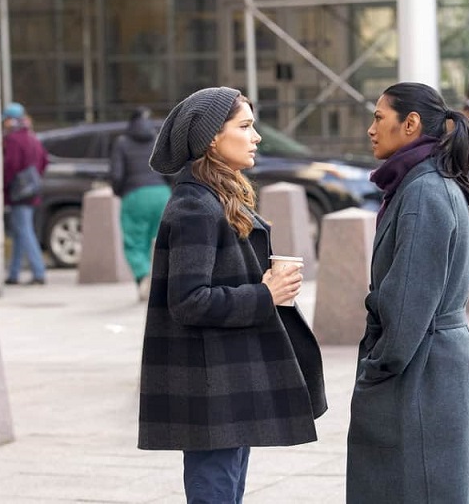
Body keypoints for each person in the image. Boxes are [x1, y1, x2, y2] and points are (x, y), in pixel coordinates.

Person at [137, 87, 327, 503]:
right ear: (210, 139)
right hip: (211, 385)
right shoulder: (195, 207)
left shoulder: (218, 199)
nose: (256, 136)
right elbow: (188, 300)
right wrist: (264, 293)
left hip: (225, 377)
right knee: (216, 492)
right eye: (244, 126)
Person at [346, 82, 469, 503]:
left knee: (419, 488)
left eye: (378, 118)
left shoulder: (423, 191)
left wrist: (377, 368)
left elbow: (408, 302)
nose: (370, 129)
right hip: (434, 363)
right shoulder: (422, 184)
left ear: (409, 124)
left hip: (422, 370)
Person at [109, 107, 171, 301]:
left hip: (135, 194)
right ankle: (163, 282)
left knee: (135, 241)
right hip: (162, 193)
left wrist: (120, 191)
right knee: (162, 239)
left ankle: (143, 275)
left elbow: (117, 174)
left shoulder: (122, 142)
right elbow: (171, 168)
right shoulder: (157, 138)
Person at [2, 102, 49, 285]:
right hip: (31, 192)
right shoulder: (32, 137)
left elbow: (10, 166)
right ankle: (14, 273)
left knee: (24, 231)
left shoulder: (14, 139)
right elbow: (45, 160)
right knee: (19, 232)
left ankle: (39, 271)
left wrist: (5, 186)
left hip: (18, 193)